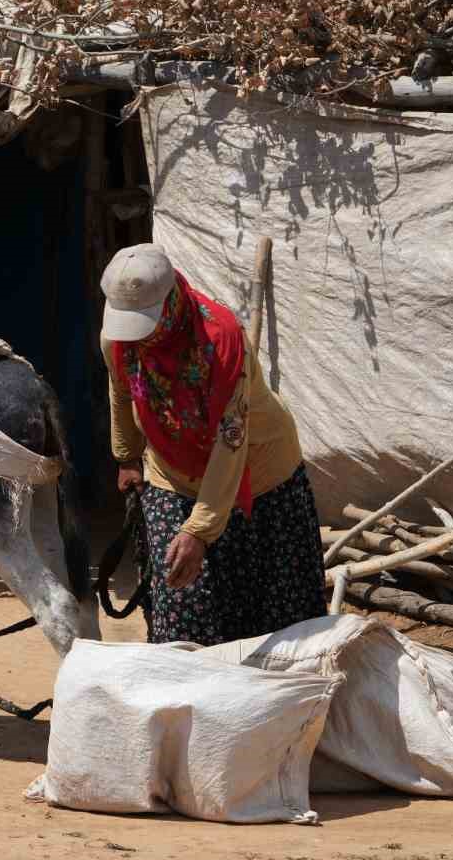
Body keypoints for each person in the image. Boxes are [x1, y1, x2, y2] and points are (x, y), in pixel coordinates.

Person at [100, 244, 326, 646]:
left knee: (278, 628)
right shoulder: (118, 339)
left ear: (169, 302)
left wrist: (200, 532)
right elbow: (120, 389)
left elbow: (231, 441)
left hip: (261, 477)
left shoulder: (221, 343)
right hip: (173, 473)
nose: (138, 338)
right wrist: (127, 455)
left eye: (144, 323)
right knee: (182, 617)